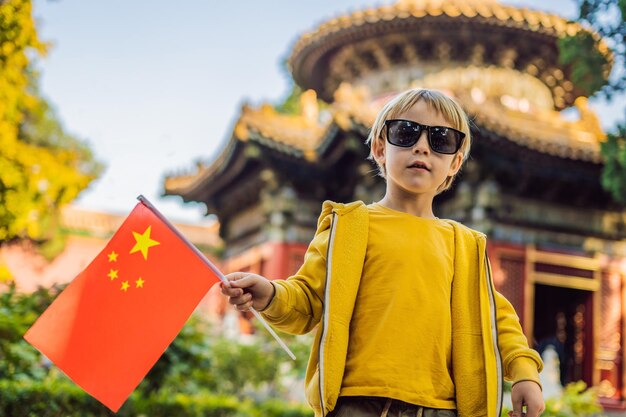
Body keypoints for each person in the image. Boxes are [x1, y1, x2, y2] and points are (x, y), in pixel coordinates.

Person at [221, 88, 545, 417]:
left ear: (455, 162)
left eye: (441, 140)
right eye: (406, 133)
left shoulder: (464, 244)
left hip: (441, 407)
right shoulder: (349, 226)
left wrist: (525, 372)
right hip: (357, 401)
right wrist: (271, 293)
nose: (422, 146)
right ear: (379, 148)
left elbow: (496, 319)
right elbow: (308, 298)